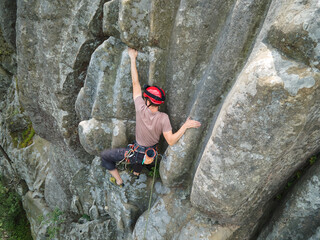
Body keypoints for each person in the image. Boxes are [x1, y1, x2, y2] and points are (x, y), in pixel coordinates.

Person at [101, 48, 201, 186]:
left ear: (147, 101)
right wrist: (185, 126)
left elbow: (135, 84)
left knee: (105, 156)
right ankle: (136, 174)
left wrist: (132, 58)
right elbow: (171, 141)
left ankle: (119, 181)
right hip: (151, 153)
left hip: (138, 152)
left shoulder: (140, 108)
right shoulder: (164, 118)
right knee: (139, 158)